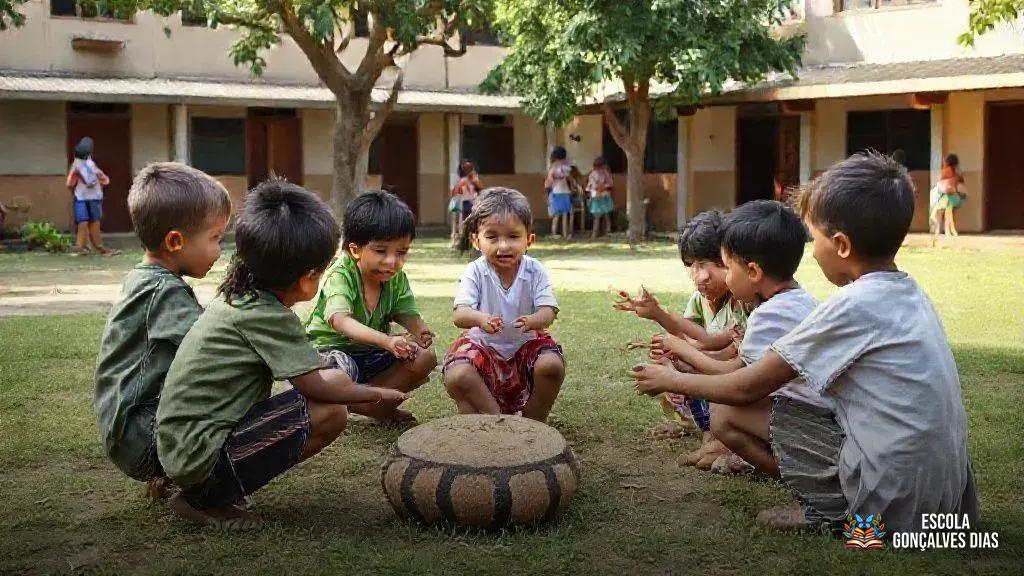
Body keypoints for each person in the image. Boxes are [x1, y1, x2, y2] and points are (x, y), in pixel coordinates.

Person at [633, 152, 978, 533]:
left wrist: (670, 380)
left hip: (892, 511)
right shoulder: (909, 293)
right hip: (948, 503)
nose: (811, 252)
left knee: (729, 412)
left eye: (815, 239)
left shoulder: (852, 305)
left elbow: (746, 385)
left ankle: (834, 515)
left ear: (842, 245)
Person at [157, 180, 405, 530]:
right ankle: (206, 498)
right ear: (307, 279)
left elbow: (311, 366)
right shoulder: (268, 316)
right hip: (198, 455)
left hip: (182, 445)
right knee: (331, 413)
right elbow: (314, 387)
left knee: (333, 379)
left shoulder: (240, 296)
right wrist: (376, 395)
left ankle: (210, 484)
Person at [646, 200, 829, 478]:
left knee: (724, 415)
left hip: (814, 424)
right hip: (818, 417)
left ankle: (798, 478)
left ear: (754, 272)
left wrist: (672, 377)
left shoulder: (770, 315)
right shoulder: (798, 301)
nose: (726, 278)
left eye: (727, 267)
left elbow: (737, 381)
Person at [94, 163, 232, 499]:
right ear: (175, 241)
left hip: (128, 430)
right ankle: (197, 493)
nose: (220, 250)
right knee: (236, 379)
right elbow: (212, 347)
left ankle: (168, 477)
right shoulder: (163, 291)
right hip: (142, 434)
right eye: (215, 238)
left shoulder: (145, 279)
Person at [614, 210, 747, 467]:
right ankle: (695, 426)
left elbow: (724, 353)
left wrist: (684, 364)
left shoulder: (742, 302)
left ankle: (714, 439)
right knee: (673, 371)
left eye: (705, 264)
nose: (699, 277)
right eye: (691, 266)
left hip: (730, 379)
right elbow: (688, 337)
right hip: (711, 371)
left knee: (692, 376)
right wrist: (672, 359)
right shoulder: (699, 301)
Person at [305, 190, 437, 424]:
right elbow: (340, 320)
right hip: (333, 353)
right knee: (337, 373)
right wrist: (386, 341)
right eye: (380, 251)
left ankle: (372, 406)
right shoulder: (341, 274)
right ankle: (355, 402)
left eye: (401, 252)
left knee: (424, 357)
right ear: (355, 250)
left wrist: (420, 331)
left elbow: (405, 312)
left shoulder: (395, 277)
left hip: (370, 354)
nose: (391, 261)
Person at [443, 187, 566, 422]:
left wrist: (533, 321)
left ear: (529, 239)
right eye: (492, 237)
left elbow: (548, 311)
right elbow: (460, 314)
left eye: (513, 236)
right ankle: (497, 419)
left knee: (551, 366)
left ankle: (534, 422)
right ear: (476, 241)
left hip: (525, 345)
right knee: (458, 375)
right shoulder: (475, 271)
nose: (503, 246)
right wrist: (481, 319)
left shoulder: (535, 270)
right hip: (484, 346)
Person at [66, 137, 117, 255]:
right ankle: (82, 246)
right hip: (83, 197)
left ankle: (96, 246)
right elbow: (70, 182)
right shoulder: (77, 165)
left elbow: (104, 179)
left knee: (93, 221)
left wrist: (98, 178)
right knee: (84, 221)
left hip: (92, 197)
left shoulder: (90, 164)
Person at [450, 160, 481, 247]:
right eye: (467, 168)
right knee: (460, 223)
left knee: (470, 222)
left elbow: (479, 188)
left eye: (470, 168)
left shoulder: (473, 178)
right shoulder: (461, 180)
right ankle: (460, 241)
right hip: (462, 203)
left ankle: (469, 240)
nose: (469, 170)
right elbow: (455, 192)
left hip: (471, 203)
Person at [545, 146, 573, 239]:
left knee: (557, 215)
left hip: (557, 192)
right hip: (565, 192)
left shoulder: (553, 167)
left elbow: (549, 182)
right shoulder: (566, 167)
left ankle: (554, 233)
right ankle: (565, 233)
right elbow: (569, 177)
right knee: (564, 214)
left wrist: (547, 191)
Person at [938, 153, 967, 237]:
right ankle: (948, 230)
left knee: (950, 212)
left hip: (951, 193)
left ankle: (950, 230)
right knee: (949, 212)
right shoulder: (948, 170)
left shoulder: (951, 170)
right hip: (948, 193)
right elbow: (950, 181)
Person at [587, 157, 614, 239]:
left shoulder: (605, 173)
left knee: (606, 214)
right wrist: (597, 188)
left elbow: (610, 183)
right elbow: (590, 186)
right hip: (596, 196)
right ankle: (595, 233)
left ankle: (608, 232)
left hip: (604, 196)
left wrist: (604, 187)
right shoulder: (592, 174)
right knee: (597, 215)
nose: (601, 169)